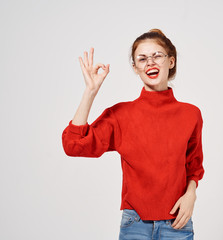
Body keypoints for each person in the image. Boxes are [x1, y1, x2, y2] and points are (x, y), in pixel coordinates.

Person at [62, 29, 205, 240]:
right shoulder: (121, 115)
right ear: (135, 68)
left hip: (177, 223)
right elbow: (73, 145)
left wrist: (191, 194)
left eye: (157, 56)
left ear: (171, 61)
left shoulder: (190, 114)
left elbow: (194, 165)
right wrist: (90, 91)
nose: (150, 63)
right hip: (135, 224)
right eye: (142, 59)